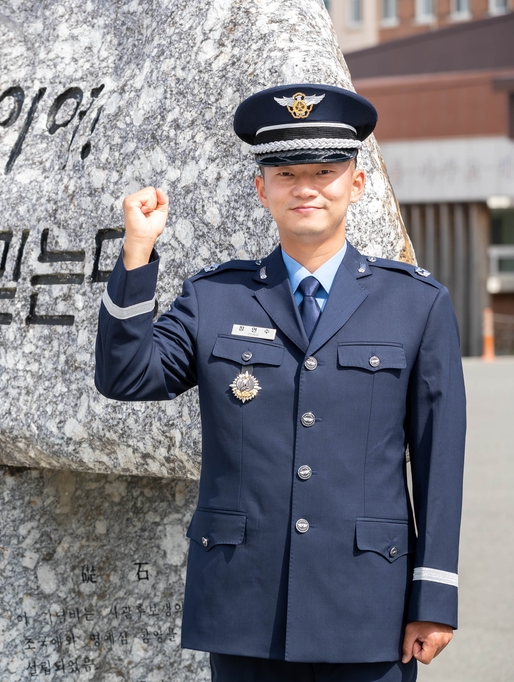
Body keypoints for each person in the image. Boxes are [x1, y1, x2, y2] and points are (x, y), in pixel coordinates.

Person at [94, 84, 465, 682]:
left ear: (357, 183)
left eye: (325, 170)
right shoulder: (215, 297)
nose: (307, 187)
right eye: (287, 173)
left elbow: (439, 461)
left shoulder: (415, 303)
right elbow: (128, 376)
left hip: (368, 605)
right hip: (246, 605)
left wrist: (434, 598)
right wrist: (138, 255)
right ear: (261, 187)